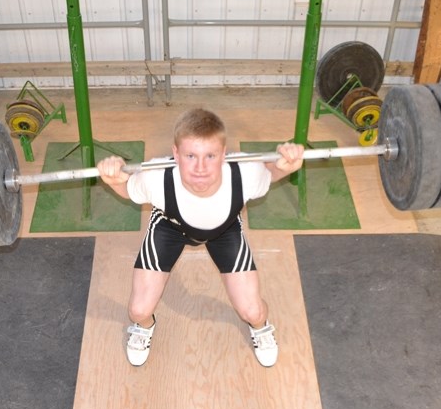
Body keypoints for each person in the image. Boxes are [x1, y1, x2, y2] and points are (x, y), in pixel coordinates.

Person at [97, 108, 304, 368]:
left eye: (210, 156)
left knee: (253, 312)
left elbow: (271, 173)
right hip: (169, 227)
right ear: (175, 154)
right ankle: (145, 327)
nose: (200, 168)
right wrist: (111, 177)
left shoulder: (246, 173)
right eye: (191, 155)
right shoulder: (155, 177)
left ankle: (261, 329)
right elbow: (127, 189)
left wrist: (288, 164)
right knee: (138, 311)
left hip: (224, 230)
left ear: (224, 154)